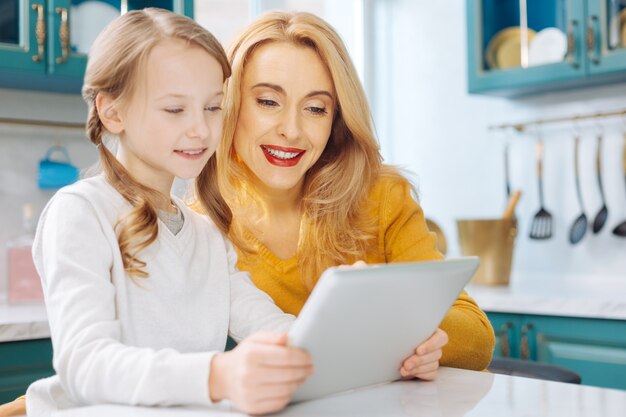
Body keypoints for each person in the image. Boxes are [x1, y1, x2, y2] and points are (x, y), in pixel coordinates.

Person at [8, 8, 312, 417]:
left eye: (212, 107)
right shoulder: (81, 213)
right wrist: (217, 375)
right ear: (112, 113)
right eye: (174, 109)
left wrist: (368, 339)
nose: (201, 130)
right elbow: (86, 365)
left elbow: (272, 328)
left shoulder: (206, 235)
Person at [208, 10, 495, 378]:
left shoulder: (382, 198)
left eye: (315, 108)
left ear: (336, 121)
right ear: (229, 106)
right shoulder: (201, 228)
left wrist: (405, 328)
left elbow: (477, 339)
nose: (292, 131)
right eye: (268, 102)